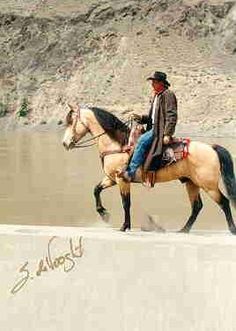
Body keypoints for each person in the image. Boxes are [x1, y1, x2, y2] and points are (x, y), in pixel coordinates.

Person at [121, 71, 178, 182]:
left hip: (158, 130)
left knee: (142, 141)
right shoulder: (157, 96)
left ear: (161, 83)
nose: (152, 84)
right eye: (152, 82)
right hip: (152, 127)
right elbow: (153, 117)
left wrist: (167, 134)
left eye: (154, 82)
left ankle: (131, 172)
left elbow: (172, 115)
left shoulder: (168, 94)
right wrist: (141, 118)